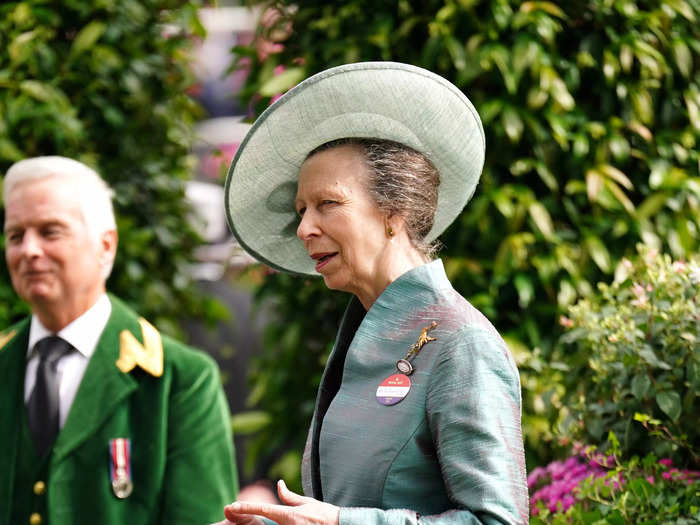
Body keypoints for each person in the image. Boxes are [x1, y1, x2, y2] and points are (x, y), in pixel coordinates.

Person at [218, 61, 528, 525]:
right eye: (301, 209)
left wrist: (343, 523)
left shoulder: (461, 344)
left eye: (328, 204)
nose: (304, 228)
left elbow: (497, 521)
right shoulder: (371, 334)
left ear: (394, 212)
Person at [0, 156, 238, 525]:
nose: (28, 250)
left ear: (106, 246)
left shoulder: (180, 381)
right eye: (16, 235)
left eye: (50, 232)